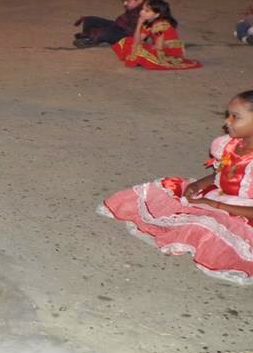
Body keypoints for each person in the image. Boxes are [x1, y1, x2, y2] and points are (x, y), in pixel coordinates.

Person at [100, 91, 253, 284]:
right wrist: (198, 184)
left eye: (235, 117)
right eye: (228, 115)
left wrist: (216, 207)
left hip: (243, 214)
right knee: (161, 190)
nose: (227, 122)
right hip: (218, 197)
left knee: (207, 226)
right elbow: (221, 175)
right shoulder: (229, 145)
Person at [111, 0, 201, 70]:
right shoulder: (149, 23)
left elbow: (159, 47)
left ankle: (142, 60)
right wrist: (139, 24)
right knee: (127, 40)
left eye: (147, 11)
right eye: (143, 9)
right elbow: (136, 40)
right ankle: (141, 59)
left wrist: (146, 47)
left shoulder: (160, 25)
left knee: (139, 50)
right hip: (159, 47)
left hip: (169, 52)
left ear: (157, 15)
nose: (142, 12)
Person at [73, 0, 152, 49]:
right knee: (89, 19)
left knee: (104, 33)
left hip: (129, 35)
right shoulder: (136, 5)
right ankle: (87, 35)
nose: (125, 3)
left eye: (128, 1)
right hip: (120, 27)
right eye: (124, 1)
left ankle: (91, 40)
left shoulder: (146, 11)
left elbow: (136, 33)